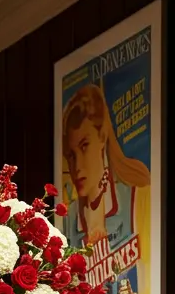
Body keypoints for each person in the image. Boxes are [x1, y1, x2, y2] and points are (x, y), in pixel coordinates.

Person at [62, 84, 150, 251]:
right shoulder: (68, 220)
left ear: (102, 137)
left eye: (84, 146)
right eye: (71, 155)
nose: (78, 166)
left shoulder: (137, 197)